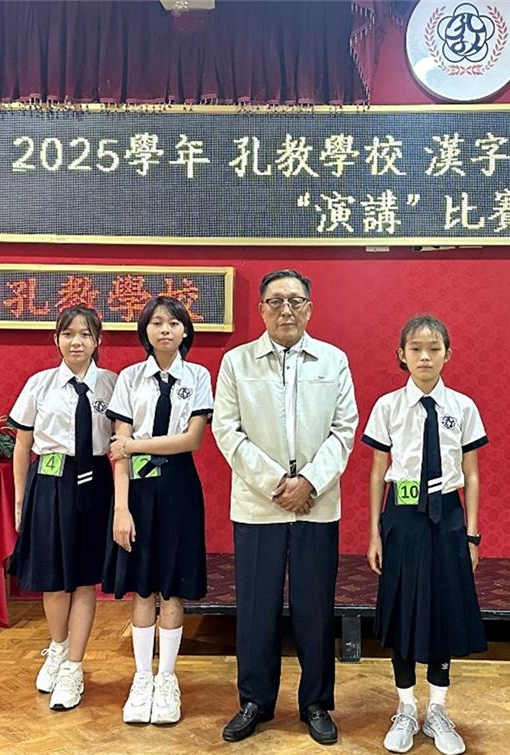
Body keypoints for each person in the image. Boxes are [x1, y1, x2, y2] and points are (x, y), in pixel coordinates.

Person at [213, 269, 358, 746]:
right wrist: (277, 483)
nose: (286, 310)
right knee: (256, 607)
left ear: (310, 308)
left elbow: (344, 430)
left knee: (315, 609)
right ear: (261, 310)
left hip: (317, 504)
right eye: (275, 301)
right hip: (259, 505)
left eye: (295, 301)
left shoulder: (333, 360)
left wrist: (310, 482)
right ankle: (255, 700)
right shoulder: (237, 362)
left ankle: (316, 702)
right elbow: (226, 431)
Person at [362, 315, 488, 755]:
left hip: (448, 519)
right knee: (402, 610)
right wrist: (375, 532)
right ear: (402, 355)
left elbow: (471, 475)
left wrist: (472, 533)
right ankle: (404, 706)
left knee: (442, 609)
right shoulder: (388, 407)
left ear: (448, 354)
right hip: (402, 517)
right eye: (415, 348)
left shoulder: (463, 408)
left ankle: (437, 709)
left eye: (434, 349)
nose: (425, 357)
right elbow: (378, 472)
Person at [102, 295, 213, 726]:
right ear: (144, 331)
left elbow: (192, 440)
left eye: (173, 323)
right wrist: (121, 509)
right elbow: (118, 449)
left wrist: (133, 444)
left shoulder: (198, 376)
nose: (164, 330)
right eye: (155, 323)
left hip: (180, 489)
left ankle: (167, 679)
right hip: (138, 493)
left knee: (173, 586)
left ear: (185, 331)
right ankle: (142, 678)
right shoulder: (130, 377)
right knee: (142, 588)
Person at [8, 305, 116, 711]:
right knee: (54, 578)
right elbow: (22, 443)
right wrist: (21, 497)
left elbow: (121, 440)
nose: (76, 341)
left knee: (84, 579)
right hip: (50, 481)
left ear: (97, 341)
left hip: (95, 485)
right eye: (68, 333)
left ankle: (74, 668)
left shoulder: (111, 384)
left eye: (85, 334)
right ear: (56, 339)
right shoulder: (39, 384)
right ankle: (57, 648)